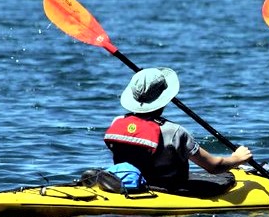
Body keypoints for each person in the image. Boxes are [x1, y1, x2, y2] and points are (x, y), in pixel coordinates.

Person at [103, 67, 253, 195]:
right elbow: (214, 167)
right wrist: (237, 158)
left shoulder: (117, 122)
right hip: (169, 190)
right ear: (165, 99)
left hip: (128, 183)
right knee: (225, 179)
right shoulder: (174, 132)